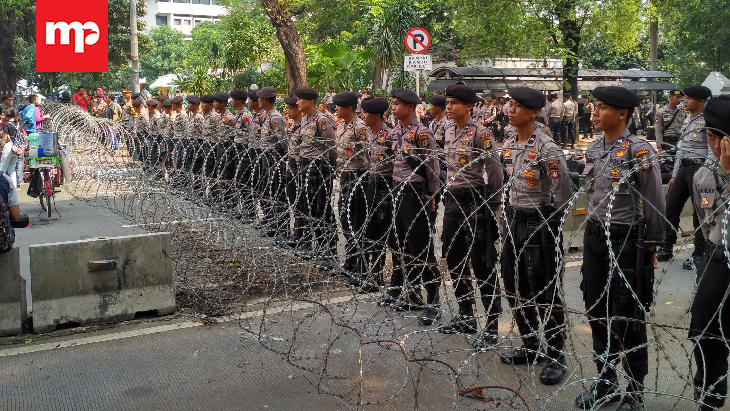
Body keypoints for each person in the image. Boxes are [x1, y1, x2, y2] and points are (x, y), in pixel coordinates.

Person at [576, 86, 665, 411]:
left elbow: (655, 201)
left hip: (626, 240)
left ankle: (635, 390)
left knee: (627, 315)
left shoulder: (639, 151)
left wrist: (652, 245)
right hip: (596, 237)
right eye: (593, 107)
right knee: (596, 309)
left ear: (622, 114)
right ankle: (606, 380)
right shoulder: (595, 147)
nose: (593, 112)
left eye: (600, 108)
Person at [497, 87, 572, 385]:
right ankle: (531, 345)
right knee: (514, 284)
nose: (510, 110)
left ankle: (556, 353)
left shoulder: (547, 148)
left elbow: (564, 193)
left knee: (544, 289)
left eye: (517, 106)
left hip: (539, 224)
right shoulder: (511, 142)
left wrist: (548, 224)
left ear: (534, 112)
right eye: (509, 104)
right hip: (513, 221)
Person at [435, 85, 503, 346]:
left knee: (482, 263)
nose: (448, 106)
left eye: (453, 103)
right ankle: (466, 314)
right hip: (453, 199)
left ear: (468, 106)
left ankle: (492, 325)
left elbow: (494, 169)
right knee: (454, 257)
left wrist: (493, 202)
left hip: (475, 200)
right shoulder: (448, 130)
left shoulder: (481, 133)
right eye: (447, 102)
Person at [377, 89, 441, 326]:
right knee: (401, 243)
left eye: (397, 104)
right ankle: (413, 294)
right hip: (397, 189)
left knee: (420, 246)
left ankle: (433, 301)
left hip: (415, 193)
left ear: (410, 107)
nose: (393, 107)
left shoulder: (422, 134)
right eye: (392, 104)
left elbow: (432, 165)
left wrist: (432, 195)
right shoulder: (396, 132)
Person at [689, 95, 730, 411]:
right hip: (717, 258)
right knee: (705, 328)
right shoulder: (704, 172)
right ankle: (709, 394)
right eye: (710, 138)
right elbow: (707, 225)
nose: (712, 145)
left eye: (717, 138)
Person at [656, 86, 712, 270]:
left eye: (689, 98)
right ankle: (666, 246)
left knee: (699, 213)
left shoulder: (708, 120)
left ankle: (699, 253)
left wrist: (707, 173)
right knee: (671, 206)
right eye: (685, 98)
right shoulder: (688, 118)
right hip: (683, 168)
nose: (685, 101)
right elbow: (681, 149)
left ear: (701, 101)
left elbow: (711, 150)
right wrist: (674, 174)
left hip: (699, 168)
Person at [293, 87, 337, 268]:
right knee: (306, 206)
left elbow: (331, 147)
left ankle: (329, 250)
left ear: (310, 101)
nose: (297, 102)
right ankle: (315, 245)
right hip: (305, 166)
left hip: (319, 168)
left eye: (300, 99)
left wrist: (331, 168)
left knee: (321, 209)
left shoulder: (322, 120)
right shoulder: (305, 120)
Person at [358, 97, 395, 293]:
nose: (362, 115)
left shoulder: (389, 135)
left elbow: (399, 163)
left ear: (376, 115)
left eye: (365, 113)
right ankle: (374, 273)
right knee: (371, 230)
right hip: (372, 184)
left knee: (384, 230)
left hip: (386, 186)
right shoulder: (370, 134)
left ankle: (381, 275)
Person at [333, 91, 371, 277]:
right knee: (345, 219)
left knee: (356, 221)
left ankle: (359, 264)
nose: (335, 109)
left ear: (348, 108)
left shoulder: (360, 128)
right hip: (345, 177)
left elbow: (369, 156)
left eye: (338, 106)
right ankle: (350, 260)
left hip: (357, 177)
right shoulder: (341, 126)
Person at [254, 87, 288, 239]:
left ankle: (280, 226)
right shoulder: (266, 116)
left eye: (260, 99)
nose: (258, 101)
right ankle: (271, 222)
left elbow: (283, 142)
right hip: (266, 156)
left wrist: (280, 158)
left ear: (265, 100)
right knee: (267, 190)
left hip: (274, 157)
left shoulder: (275, 118)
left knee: (276, 192)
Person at [281, 96, 305, 247]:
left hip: (301, 165)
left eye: (290, 108)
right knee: (293, 200)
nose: (288, 111)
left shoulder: (305, 125)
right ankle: (296, 232)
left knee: (302, 203)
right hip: (292, 164)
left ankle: (303, 235)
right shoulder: (292, 124)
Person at [0, 109, 22, 187]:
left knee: (2, 168)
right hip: (16, 148)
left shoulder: (6, 125)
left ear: (7, 116)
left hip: (8, 147)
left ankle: (2, 188)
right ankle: (13, 187)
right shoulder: (18, 124)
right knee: (12, 169)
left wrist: (1, 147)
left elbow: (5, 138)